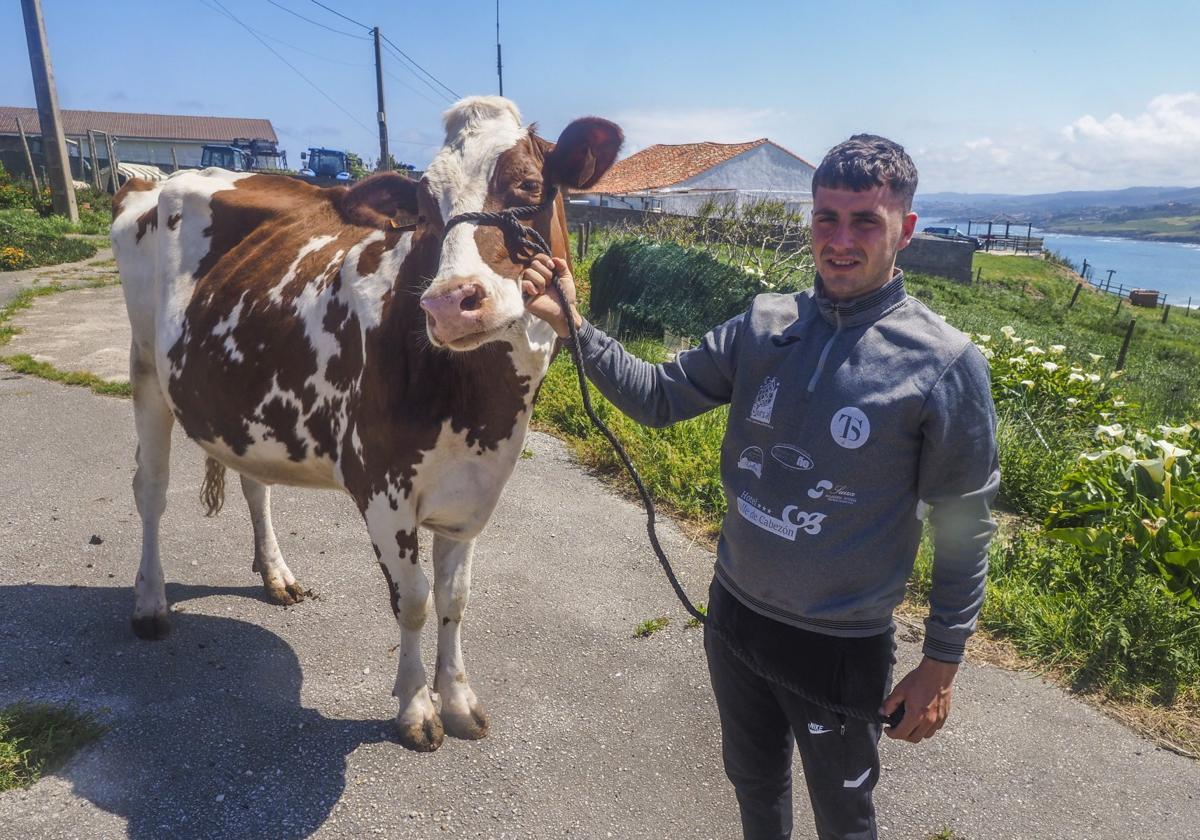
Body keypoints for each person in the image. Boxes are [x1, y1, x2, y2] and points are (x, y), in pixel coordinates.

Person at [521, 135, 999, 840]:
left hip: (839, 647)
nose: (839, 240)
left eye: (865, 221)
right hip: (734, 616)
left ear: (907, 229)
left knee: (844, 817)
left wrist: (940, 664)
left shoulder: (944, 363)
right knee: (753, 786)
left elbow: (965, 525)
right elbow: (659, 398)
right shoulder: (764, 324)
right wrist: (577, 329)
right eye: (825, 218)